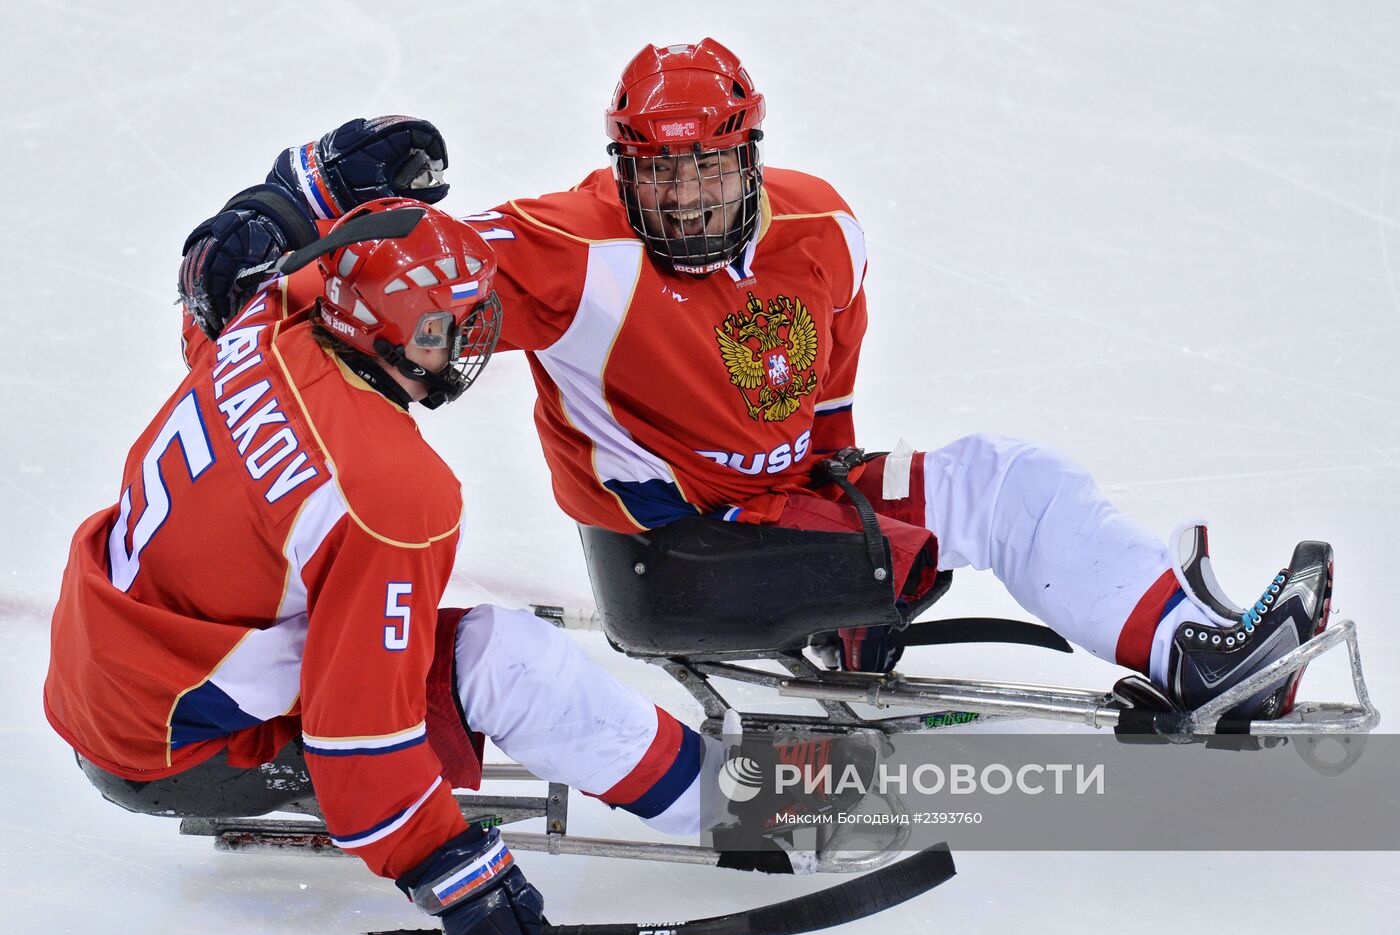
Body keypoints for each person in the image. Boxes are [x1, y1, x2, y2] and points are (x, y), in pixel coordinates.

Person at [177, 41, 1332, 731]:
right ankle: (1184, 646)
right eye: (658, 170)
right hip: (673, 560)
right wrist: (288, 209)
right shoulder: (572, 249)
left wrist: (848, 522)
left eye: (708, 168)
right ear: (623, 162)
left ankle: (1179, 632)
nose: (682, 198)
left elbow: (824, 403)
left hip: (780, 512)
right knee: (987, 496)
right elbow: (405, 264)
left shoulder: (826, 231)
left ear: (753, 157)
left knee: (1004, 480)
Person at [46, 199, 735, 935]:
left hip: (109, 672)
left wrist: (299, 189)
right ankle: (743, 804)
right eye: (448, 327)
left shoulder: (266, 316)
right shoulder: (391, 493)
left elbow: (257, 273)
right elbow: (360, 735)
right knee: (507, 661)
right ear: (392, 333)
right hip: (176, 747)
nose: (472, 342)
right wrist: (450, 869)